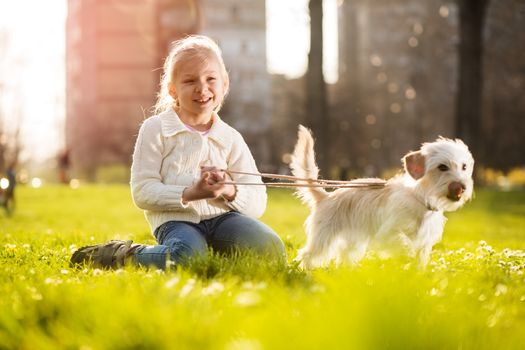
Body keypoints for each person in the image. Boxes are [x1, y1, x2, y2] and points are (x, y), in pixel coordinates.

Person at [71, 35, 286, 269]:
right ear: (173, 90)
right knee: (187, 258)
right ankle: (125, 255)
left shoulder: (231, 138)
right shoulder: (156, 129)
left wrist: (229, 190)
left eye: (210, 79)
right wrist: (190, 193)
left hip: (224, 219)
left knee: (272, 250)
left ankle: (210, 255)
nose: (202, 88)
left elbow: (258, 201)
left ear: (224, 85)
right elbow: (142, 192)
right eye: (190, 80)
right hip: (177, 222)